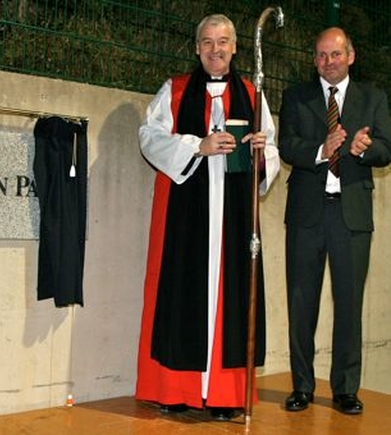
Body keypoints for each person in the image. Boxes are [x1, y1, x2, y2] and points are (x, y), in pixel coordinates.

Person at [135, 14, 280, 421]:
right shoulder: (176, 91)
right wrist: (197, 145)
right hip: (187, 215)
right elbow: (150, 137)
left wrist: (259, 151)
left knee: (232, 297)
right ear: (196, 47)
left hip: (233, 216)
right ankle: (176, 389)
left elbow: (272, 153)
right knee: (183, 290)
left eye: (223, 42)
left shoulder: (253, 93)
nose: (216, 49)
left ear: (235, 47)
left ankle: (225, 395)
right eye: (207, 42)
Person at [279, 27, 391, 415]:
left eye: (336, 54)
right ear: (314, 60)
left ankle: (346, 389)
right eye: (322, 55)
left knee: (349, 305)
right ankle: (302, 387)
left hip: (352, 217)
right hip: (307, 215)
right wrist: (319, 150)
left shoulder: (373, 98)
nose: (329, 62)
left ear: (351, 56)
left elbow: (386, 149)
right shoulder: (296, 96)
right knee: (300, 303)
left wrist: (365, 148)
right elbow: (286, 144)